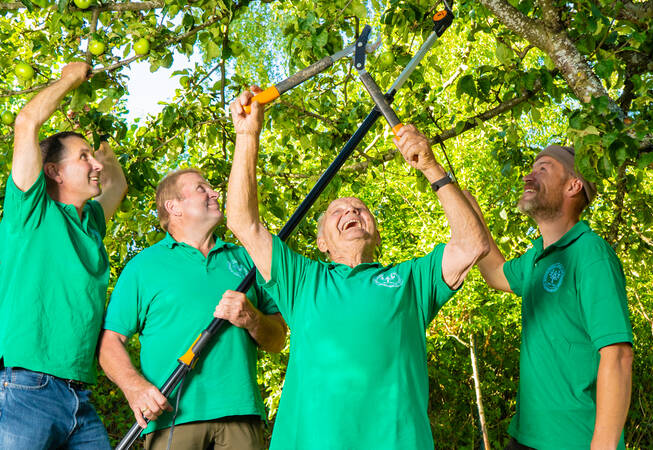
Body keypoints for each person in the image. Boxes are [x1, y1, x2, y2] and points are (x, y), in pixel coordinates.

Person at [225, 88, 489, 449]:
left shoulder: (411, 280)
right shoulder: (301, 279)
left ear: (376, 233)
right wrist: (247, 134)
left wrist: (430, 165)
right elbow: (243, 222)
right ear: (322, 243)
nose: (351, 212)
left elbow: (473, 245)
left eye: (360, 209)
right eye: (338, 211)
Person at [99, 168, 287, 450]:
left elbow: (277, 339)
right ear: (173, 207)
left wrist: (252, 319)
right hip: (172, 417)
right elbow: (109, 342)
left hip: (240, 414)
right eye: (201, 188)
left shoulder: (248, 259)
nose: (214, 193)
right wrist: (135, 388)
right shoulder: (144, 266)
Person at [464, 145, 633, 449]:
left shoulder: (590, 253)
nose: (529, 176)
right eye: (531, 168)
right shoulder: (536, 258)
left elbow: (618, 356)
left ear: (573, 185)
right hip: (525, 438)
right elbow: (495, 273)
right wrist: (470, 213)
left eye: (543, 168)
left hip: (574, 440)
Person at [0, 62, 127, 448]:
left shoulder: (89, 223)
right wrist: (71, 78)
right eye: (83, 158)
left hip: (78, 397)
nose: (94, 166)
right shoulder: (31, 210)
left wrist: (103, 150)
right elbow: (27, 122)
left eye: (92, 158)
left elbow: (116, 185)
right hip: (25, 388)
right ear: (52, 171)